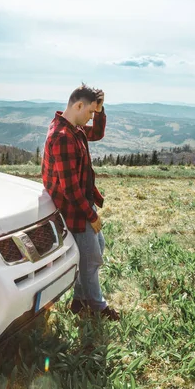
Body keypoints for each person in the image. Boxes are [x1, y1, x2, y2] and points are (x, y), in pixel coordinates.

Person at [42, 84, 120, 321]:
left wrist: (100, 109)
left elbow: (96, 134)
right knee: (91, 258)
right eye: (89, 113)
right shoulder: (62, 136)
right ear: (78, 105)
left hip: (82, 204)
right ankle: (97, 306)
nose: (90, 118)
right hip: (75, 209)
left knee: (96, 250)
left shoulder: (72, 129)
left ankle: (79, 300)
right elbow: (70, 189)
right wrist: (92, 215)